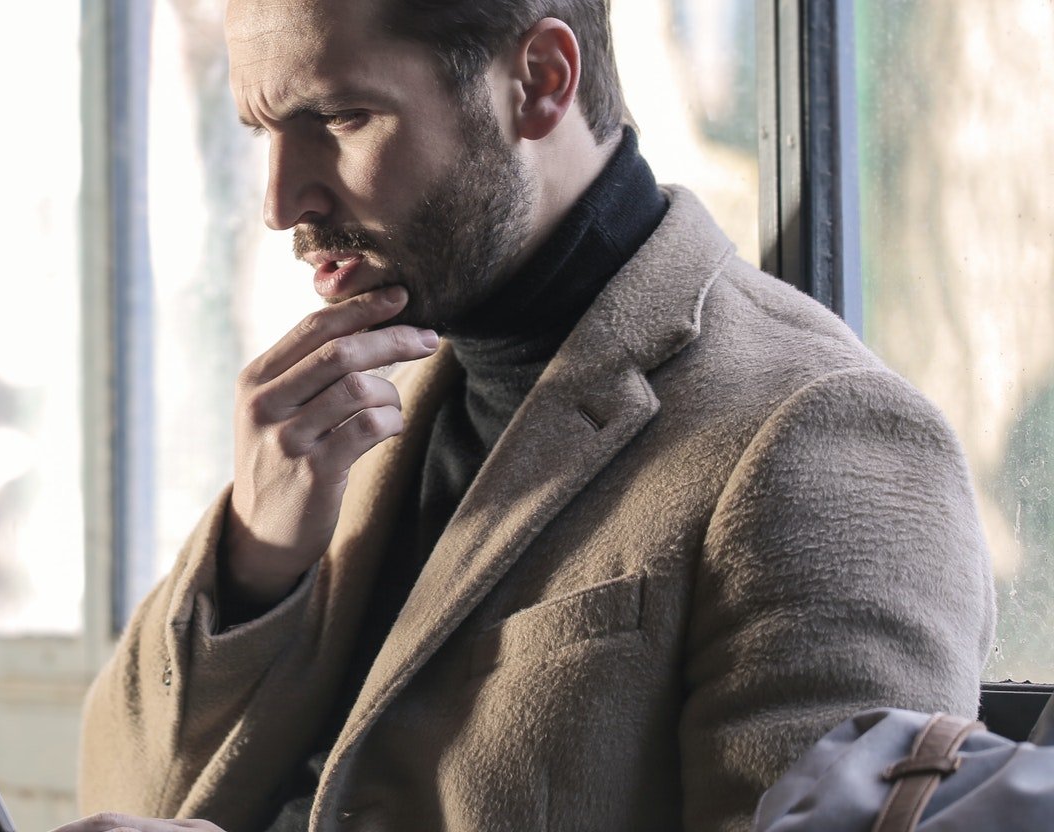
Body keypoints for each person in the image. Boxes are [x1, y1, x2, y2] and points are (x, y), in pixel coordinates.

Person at [66, 1, 994, 831]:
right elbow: (121, 797)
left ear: (541, 82)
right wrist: (256, 559)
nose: (281, 202)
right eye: (263, 130)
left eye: (343, 117)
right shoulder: (353, 404)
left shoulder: (824, 433)